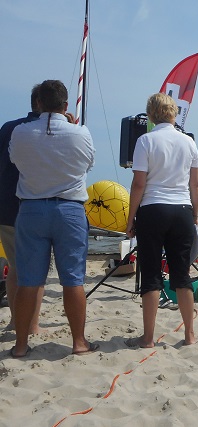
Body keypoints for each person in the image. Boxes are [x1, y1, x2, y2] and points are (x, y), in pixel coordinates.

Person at [9, 79, 97, 357]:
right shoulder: (80, 133)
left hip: (32, 208)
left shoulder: (20, 133)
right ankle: (78, 342)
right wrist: (71, 125)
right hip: (69, 209)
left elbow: (15, 160)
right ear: (65, 105)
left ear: (38, 104)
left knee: (28, 280)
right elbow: (88, 163)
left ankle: (21, 344)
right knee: (73, 279)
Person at [125, 93, 198, 348]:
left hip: (153, 208)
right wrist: (195, 213)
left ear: (151, 115)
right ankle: (189, 334)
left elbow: (138, 184)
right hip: (181, 209)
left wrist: (130, 217)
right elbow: (195, 183)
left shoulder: (145, 141)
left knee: (151, 274)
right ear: (174, 114)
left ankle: (148, 337)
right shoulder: (188, 142)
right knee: (181, 274)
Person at [0, 84, 45, 335]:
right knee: (35, 270)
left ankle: (16, 321)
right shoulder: (46, 129)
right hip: (33, 204)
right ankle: (33, 325)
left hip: (6, 204)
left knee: (15, 268)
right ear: (42, 102)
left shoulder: (8, 127)